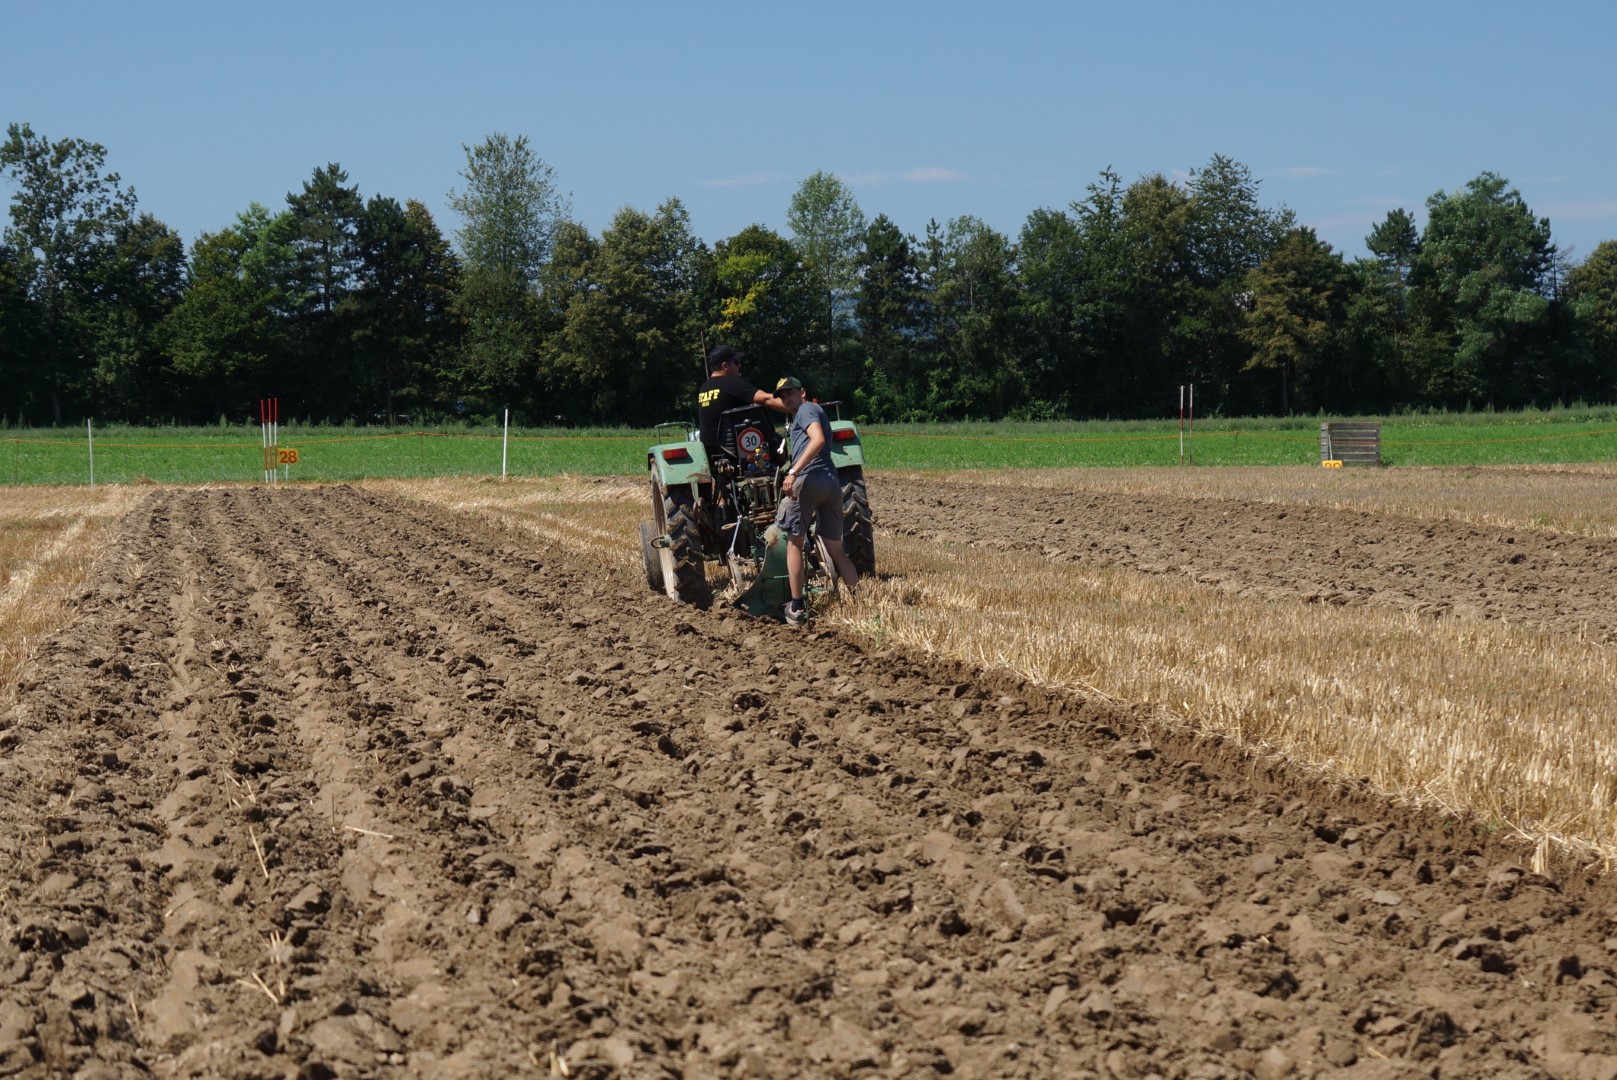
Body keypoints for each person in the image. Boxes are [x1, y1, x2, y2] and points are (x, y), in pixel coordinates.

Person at [774, 376, 859, 624]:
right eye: (782, 396)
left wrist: (793, 471)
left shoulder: (806, 409)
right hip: (831, 482)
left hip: (809, 480)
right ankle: (859, 601)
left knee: (794, 543)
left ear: (802, 392)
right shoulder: (809, 411)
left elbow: (818, 439)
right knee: (836, 550)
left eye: (790, 393)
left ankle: (796, 606)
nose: (786, 398)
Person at [696, 344, 787, 466]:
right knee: (779, 442)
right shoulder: (731, 383)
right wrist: (798, 406)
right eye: (736, 362)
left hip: (712, 456)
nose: (739, 365)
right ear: (725, 366)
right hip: (735, 454)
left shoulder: (703, 388)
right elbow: (766, 399)